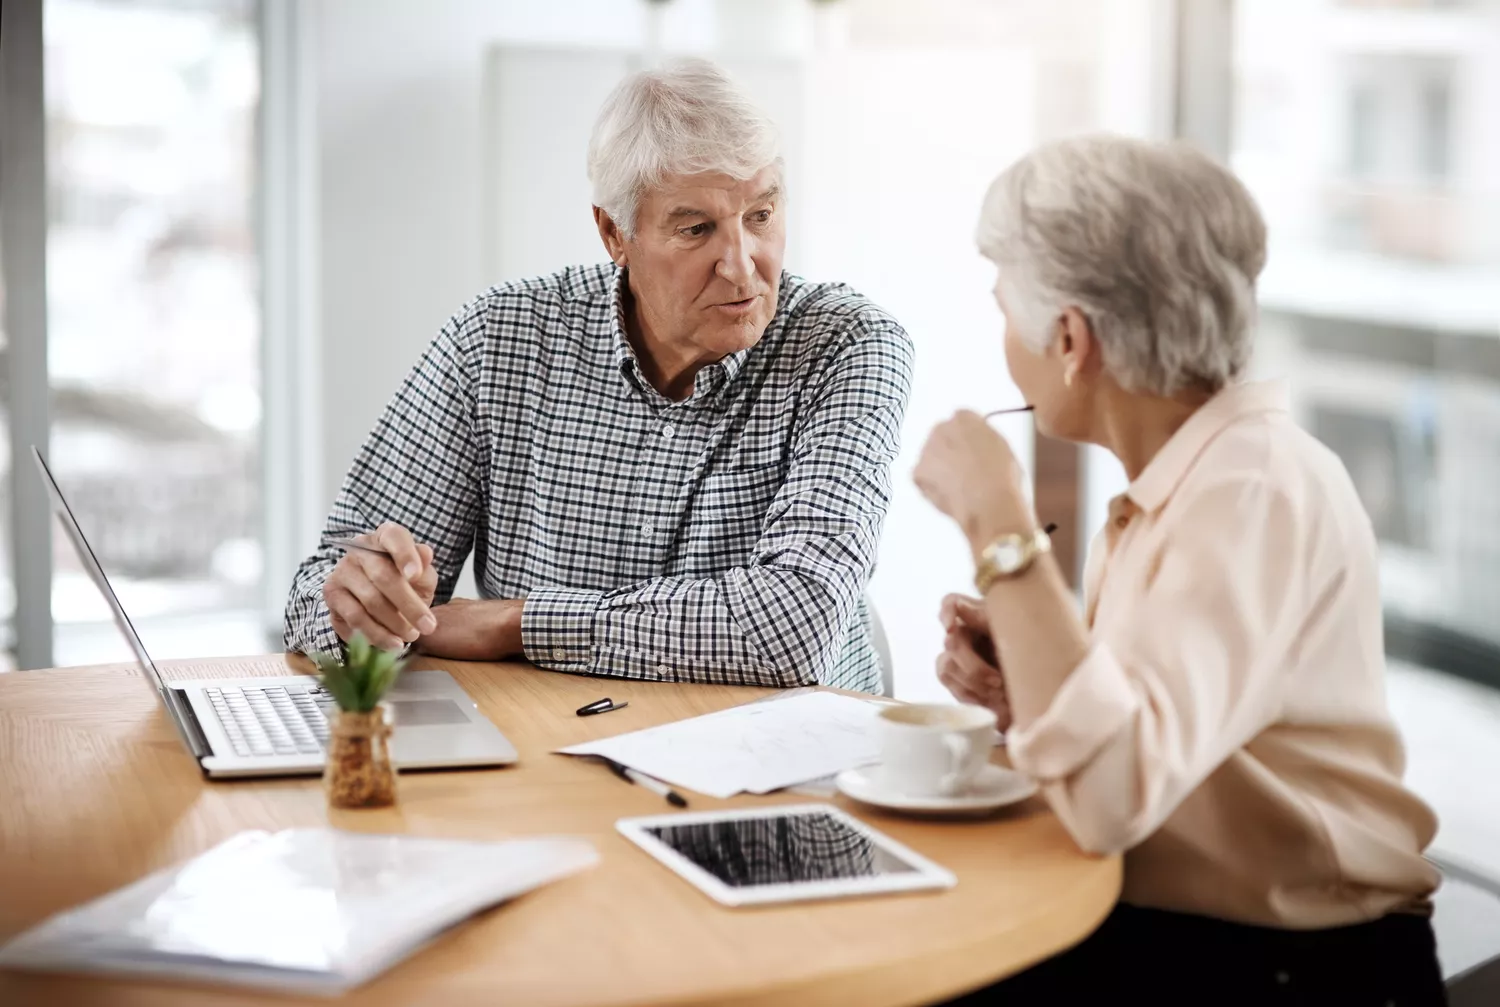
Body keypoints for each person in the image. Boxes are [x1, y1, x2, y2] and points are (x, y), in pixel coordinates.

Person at [913, 135, 1445, 1004]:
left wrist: (997, 520)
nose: (1004, 339)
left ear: (1071, 337)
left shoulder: (1253, 485)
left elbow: (1115, 794)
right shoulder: (1184, 487)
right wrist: (1035, 688)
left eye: (1006, 310)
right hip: (1200, 938)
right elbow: (1156, 744)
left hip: (1296, 968)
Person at [284, 58, 913, 693]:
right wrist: (360, 608)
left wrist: (519, 624)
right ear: (615, 233)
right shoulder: (501, 338)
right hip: (549, 753)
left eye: (760, 216)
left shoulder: (851, 345)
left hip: (786, 768)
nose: (742, 268)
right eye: (696, 230)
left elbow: (792, 631)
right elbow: (320, 591)